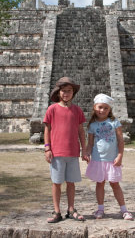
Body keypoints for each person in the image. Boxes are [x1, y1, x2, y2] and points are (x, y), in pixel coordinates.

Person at [82, 93, 133, 220]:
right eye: (100, 107)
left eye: (106, 108)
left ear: (109, 109)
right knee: (100, 184)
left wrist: (120, 155)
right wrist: (87, 153)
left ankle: (124, 210)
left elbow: (120, 141)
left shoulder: (114, 122)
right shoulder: (92, 125)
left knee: (115, 184)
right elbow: (91, 143)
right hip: (98, 160)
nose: (102, 110)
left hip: (112, 160)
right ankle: (100, 209)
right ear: (94, 107)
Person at [43, 77, 86, 223]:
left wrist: (84, 149)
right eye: (63, 91)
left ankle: (71, 209)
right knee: (56, 182)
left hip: (73, 152)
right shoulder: (52, 109)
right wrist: (47, 148)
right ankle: (56, 211)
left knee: (71, 182)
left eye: (69, 91)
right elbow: (47, 129)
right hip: (57, 152)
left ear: (73, 93)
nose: (66, 94)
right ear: (59, 93)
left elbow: (81, 131)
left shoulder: (77, 110)